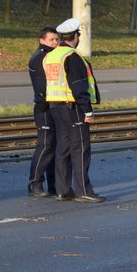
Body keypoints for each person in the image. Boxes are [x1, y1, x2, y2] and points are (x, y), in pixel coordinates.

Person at [43, 18, 104, 202]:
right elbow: (78, 86)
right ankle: (84, 191)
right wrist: (87, 110)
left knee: (63, 147)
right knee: (80, 148)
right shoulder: (72, 56)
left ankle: (62, 190)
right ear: (76, 36)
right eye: (78, 34)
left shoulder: (51, 56)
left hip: (55, 106)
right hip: (73, 106)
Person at [27, 26, 59, 197]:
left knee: (54, 146)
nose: (55, 43)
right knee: (45, 145)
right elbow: (43, 88)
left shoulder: (49, 56)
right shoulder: (40, 58)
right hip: (44, 107)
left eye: (57, 39)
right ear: (42, 40)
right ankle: (35, 183)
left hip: (54, 107)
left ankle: (54, 184)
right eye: (51, 40)